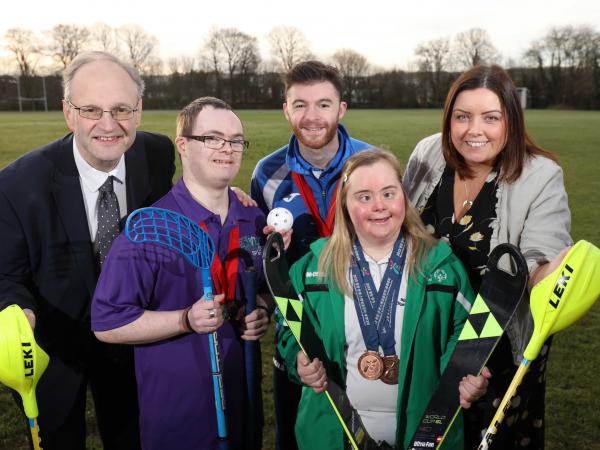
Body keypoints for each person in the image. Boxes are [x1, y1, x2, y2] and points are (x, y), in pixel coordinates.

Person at [0, 51, 174, 450]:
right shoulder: (15, 186)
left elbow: (176, 207)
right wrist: (17, 310)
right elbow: (5, 274)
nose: (108, 125)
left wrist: (226, 197)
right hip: (55, 345)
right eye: (91, 110)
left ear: (140, 110)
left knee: (134, 437)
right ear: (68, 112)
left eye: (121, 109)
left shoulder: (158, 154)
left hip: (132, 337)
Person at [403, 64, 572, 449]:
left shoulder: (541, 175)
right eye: (462, 117)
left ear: (510, 121)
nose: (473, 130)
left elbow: (538, 260)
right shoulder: (428, 152)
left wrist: (554, 274)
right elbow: (399, 222)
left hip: (495, 352)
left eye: (490, 118)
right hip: (427, 337)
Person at [277, 148, 488, 449]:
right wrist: (297, 360)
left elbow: (465, 335)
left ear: (403, 197)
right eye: (364, 197)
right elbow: (288, 330)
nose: (379, 206)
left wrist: (468, 374)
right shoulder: (313, 267)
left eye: (389, 193)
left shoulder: (441, 265)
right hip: (332, 431)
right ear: (345, 206)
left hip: (424, 431)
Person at [91, 97, 270, 450]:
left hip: (244, 406)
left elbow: (266, 289)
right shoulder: (148, 228)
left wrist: (260, 310)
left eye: (235, 140)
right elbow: (106, 324)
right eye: (214, 138)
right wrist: (185, 319)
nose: (228, 149)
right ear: (184, 146)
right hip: (179, 419)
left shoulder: (253, 218)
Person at [250, 60, 373, 450]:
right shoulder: (266, 173)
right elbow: (259, 252)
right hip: (297, 332)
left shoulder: (370, 166)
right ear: (285, 109)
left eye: (323, 104)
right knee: (296, 436)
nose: (312, 116)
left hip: (367, 325)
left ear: (342, 108)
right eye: (299, 104)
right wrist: (268, 251)